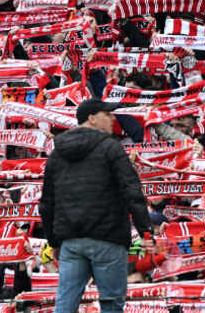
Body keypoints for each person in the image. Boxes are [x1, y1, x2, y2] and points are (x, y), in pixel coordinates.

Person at [40, 99, 153, 313]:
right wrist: (146, 232)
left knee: (64, 304)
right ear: (92, 119)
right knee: (111, 305)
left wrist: (54, 242)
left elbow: (46, 203)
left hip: (71, 242)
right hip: (108, 239)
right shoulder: (111, 148)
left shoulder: (57, 153)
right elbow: (132, 192)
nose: (113, 119)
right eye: (107, 114)